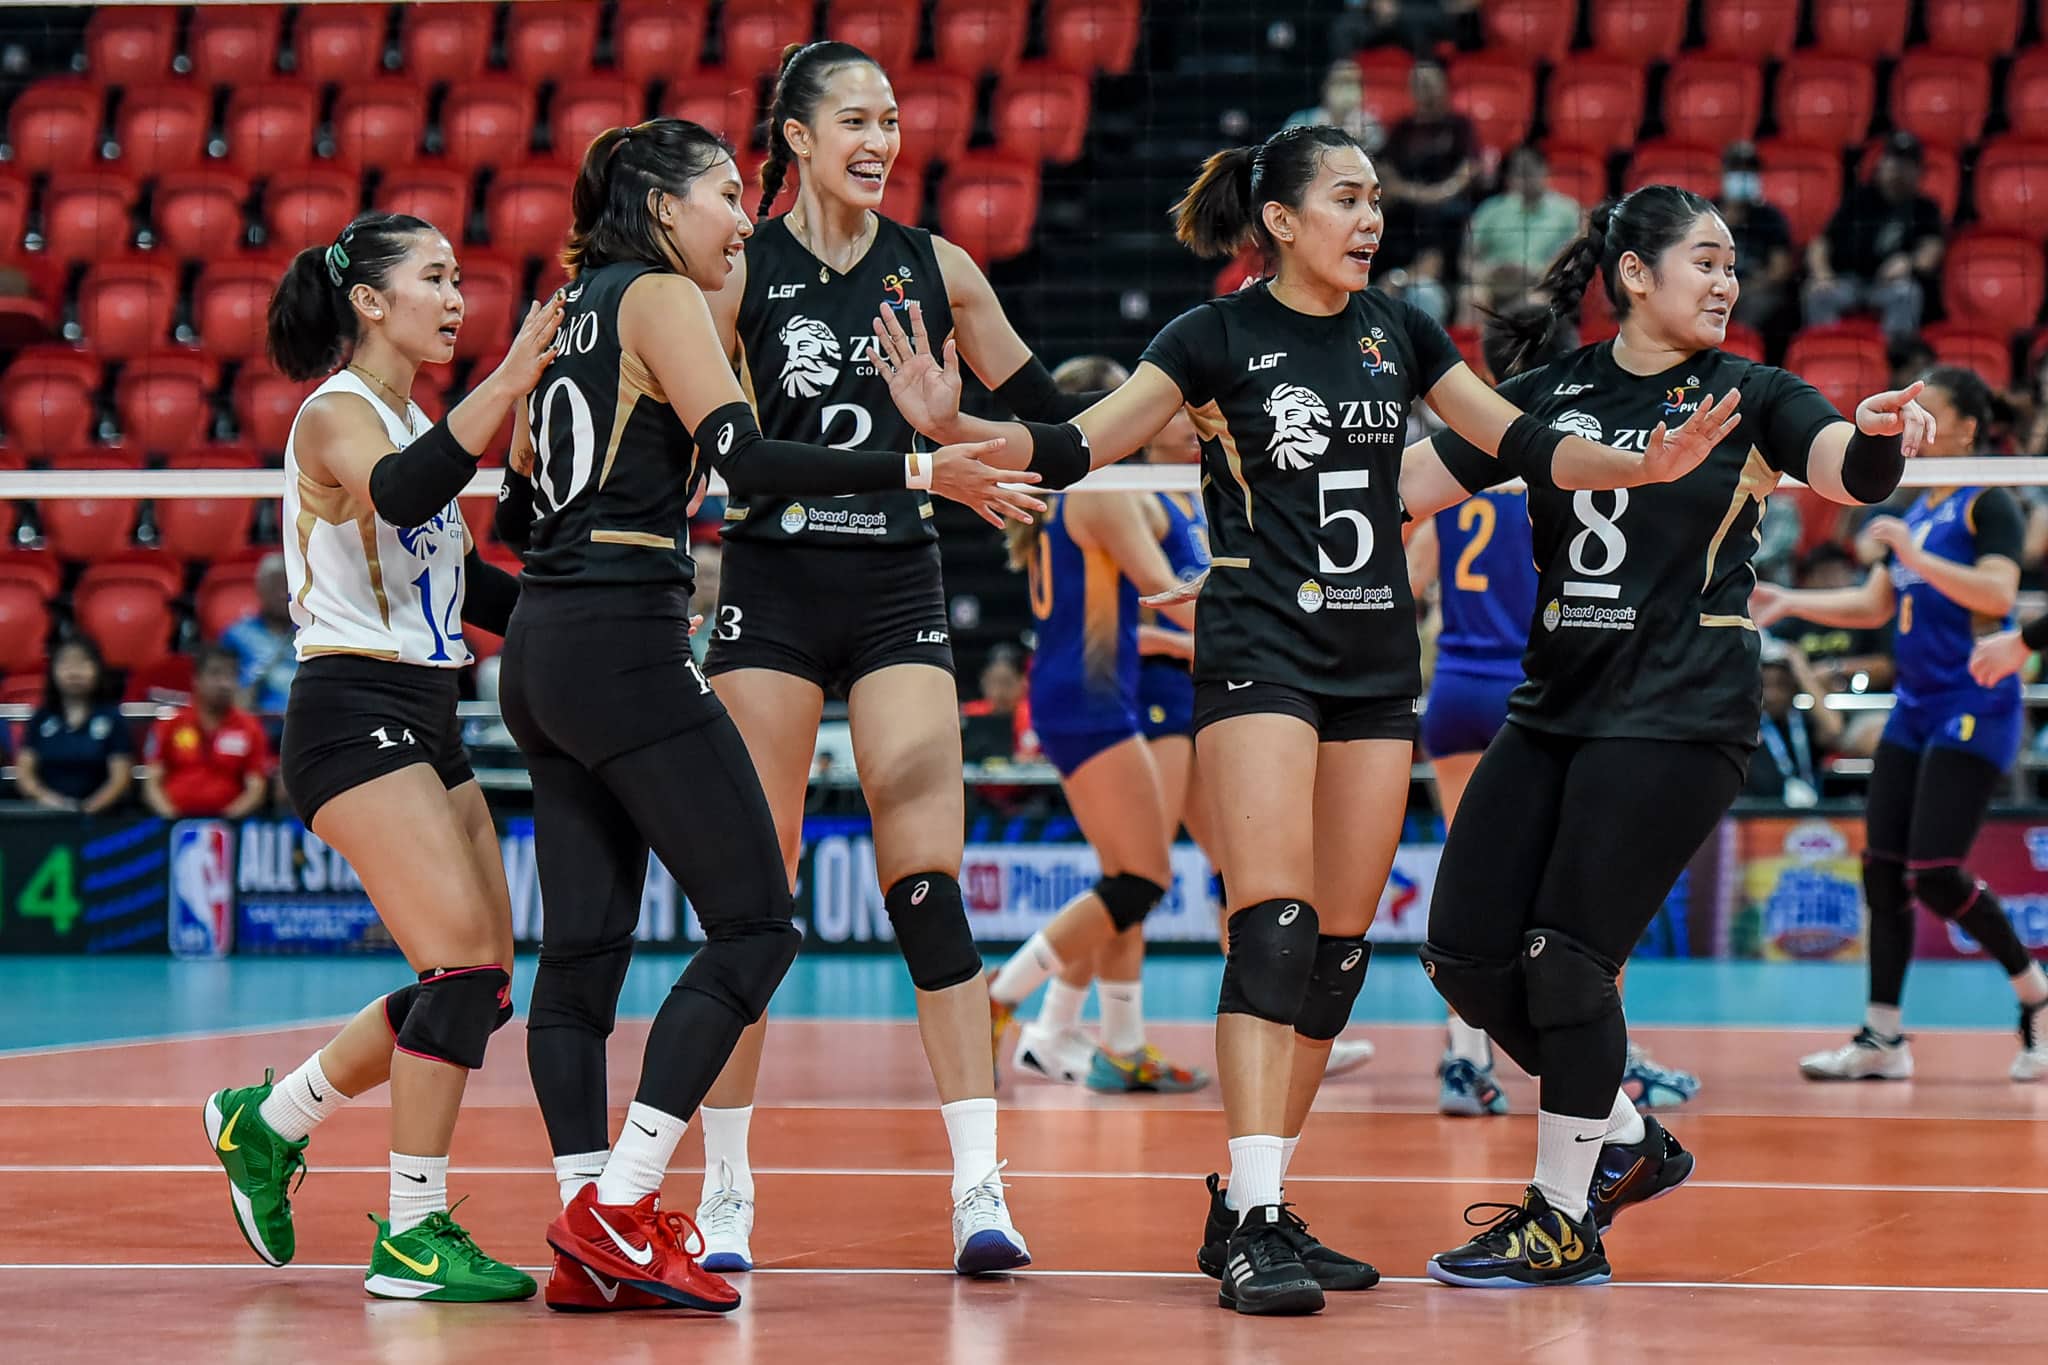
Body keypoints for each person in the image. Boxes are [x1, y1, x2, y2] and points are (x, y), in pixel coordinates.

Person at [871, 127, 1739, 1314]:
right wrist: (949, 426)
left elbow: (1516, 441)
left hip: (1376, 670)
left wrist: (1635, 469)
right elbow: (1079, 446)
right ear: (1278, 220)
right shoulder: (1212, 336)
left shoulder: (1401, 330)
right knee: (1271, 927)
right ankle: (1255, 1221)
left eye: (1374, 197)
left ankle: (1251, 1205)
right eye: (1344, 197)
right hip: (1258, 658)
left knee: (1335, 954)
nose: (1369, 216)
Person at [492, 116, 1038, 1313]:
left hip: (544, 638)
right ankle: (624, 1202)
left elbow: (519, 494)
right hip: (631, 640)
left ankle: (594, 1231)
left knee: (582, 952)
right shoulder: (665, 300)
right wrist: (915, 465)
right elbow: (740, 456)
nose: (740, 219)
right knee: (755, 923)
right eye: (724, 196)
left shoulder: (578, 302)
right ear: (662, 202)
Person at [1395, 185, 1930, 1289]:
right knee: (1461, 954)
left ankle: (1558, 1219)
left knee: (1562, 960)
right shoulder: (1544, 396)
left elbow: (1840, 462)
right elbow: (1407, 488)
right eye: (1704, 260)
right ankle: (1628, 1138)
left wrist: (1878, 440)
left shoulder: (1753, 394)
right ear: (1632, 275)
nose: (1727, 281)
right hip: (1552, 706)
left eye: (1731, 264)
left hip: (1679, 711)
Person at [690, 40, 1097, 1276]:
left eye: (893, 118)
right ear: (795, 138)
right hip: (769, 586)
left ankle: (980, 1189)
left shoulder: (942, 269)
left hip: (893, 590)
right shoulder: (733, 270)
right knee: (750, 896)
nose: (882, 138)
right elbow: (719, 450)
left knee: (925, 884)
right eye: (855, 119)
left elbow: (1063, 444)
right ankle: (723, 1196)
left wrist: (953, 431)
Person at [202, 210, 558, 1303]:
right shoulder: (337, 418)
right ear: (369, 301)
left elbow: (475, 589)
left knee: (484, 988)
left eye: (460, 280)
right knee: (456, 967)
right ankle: (410, 1236)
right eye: (435, 278)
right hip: (349, 711)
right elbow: (402, 493)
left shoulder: (412, 415)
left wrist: (604, 605)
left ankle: (269, 1121)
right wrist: (509, 382)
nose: (458, 298)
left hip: (424, 715)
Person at [1754, 367, 2048, 1084]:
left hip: (1975, 704)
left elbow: (2000, 592)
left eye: (1933, 411)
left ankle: (2035, 996)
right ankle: (1882, 1037)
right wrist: (1790, 599)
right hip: (1914, 708)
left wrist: (1913, 558)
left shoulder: (1990, 503)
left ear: (1969, 429)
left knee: (1936, 872)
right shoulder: (1918, 508)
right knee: (1881, 870)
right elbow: (1874, 606)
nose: (1915, 421)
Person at [986, 355, 1209, 1094]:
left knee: (1133, 876)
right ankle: (1001, 996)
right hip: (1086, 696)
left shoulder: (1083, 491)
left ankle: (1117, 1043)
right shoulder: (1102, 490)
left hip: (1088, 693)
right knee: (1140, 877)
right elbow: (1168, 592)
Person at [1802, 131, 1944, 348]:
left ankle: (1894, 359)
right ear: (1882, 165)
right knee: (1816, 293)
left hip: (1887, 286)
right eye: (1893, 162)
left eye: (1906, 165)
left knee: (1908, 293)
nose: (1898, 171)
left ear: (1918, 171)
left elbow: (1932, 249)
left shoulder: (1925, 208)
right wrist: (1823, 274)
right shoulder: (1858, 199)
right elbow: (1821, 242)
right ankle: (1828, 353)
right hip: (1847, 281)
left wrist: (1909, 262)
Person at [142, 644, 273, 819]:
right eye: (215, 674)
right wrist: (172, 819)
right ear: (196, 678)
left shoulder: (250, 727)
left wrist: (224, 822)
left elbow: (256, 787)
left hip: (230, 825)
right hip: (173, 823)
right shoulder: (169, 724)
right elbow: (152, 782)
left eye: (231, 675)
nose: (224, 684)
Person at [14, 636, 133, 813]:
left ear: (97, 669)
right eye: (66, 664)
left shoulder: (112, 718)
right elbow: (25, 773)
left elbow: (120, 777)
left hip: (103, 816)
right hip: (46, 812)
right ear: (53, 671)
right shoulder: (41, 717)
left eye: (82, 663)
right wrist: (51, 802)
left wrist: (88, 809)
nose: (74, 672)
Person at [1466, 147, 1581, 304]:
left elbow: (1573, 262)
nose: (1525, 178)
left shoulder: (1567, 211)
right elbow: (1468, 258)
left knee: (1533, 304)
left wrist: (1538, 274)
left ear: (1545, 171)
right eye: (1518, 172)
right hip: (1493, 284)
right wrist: (1484, 273)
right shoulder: (1490, 209)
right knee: (1471, 299)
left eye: (1530, 171)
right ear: (1510, 177)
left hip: (1541, 286)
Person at [1744, 637, 1842, 804]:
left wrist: (1801, 669)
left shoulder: (1803, 722)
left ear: (1793, 687)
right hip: (1758, 816)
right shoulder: (1746, 726)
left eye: (1780, 685)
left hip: (1807, 817)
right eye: (1765, 685)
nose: (1771, 694)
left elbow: (1834, 729)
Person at [219, 552, 298, 715]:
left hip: (306, 719)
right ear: (260, 588)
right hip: (258, 722)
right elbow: (223, 683)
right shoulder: (237, 635)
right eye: (275, 586)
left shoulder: (311, 635)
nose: (283, 594)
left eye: (288, 586)